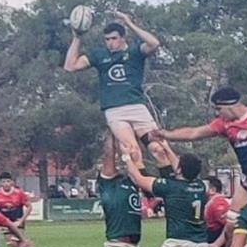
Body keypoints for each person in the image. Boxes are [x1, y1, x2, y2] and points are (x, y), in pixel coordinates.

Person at [63, 10, 177, 171]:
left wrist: (129, 23)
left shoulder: (135, 52)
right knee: (133, 151)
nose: (110, 43)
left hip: (136, 106)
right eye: (107, 39)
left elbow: (154, 43)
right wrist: (77, 37)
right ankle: (146, 192)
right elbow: (70, 66)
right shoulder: (99, 55)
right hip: (114, 110)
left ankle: (171, 188)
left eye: (114, 38)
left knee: (158, 149)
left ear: (123, 38)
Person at [150, 86, 247, 213]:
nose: (217, 114)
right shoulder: (224, 124)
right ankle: (226, 245)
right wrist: (166, 134)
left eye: (219, 109)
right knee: (233, 219)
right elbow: (194, 133)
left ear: (230, 105)